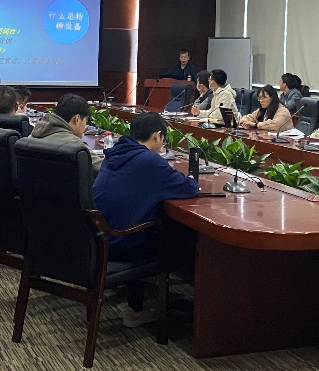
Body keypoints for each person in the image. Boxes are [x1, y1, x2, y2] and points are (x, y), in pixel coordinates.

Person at [92, 112, 199, 326]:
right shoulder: (150, 161)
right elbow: (190, 188)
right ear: (157, 136)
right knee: (177, 239)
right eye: (162, 141)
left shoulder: (114, 153)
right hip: (120, 243)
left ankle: (138, 303)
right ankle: (139, 310)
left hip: (95, 237)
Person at [28, 93, 100, 174]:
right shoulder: (76, 146)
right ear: (77, 119)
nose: (85, 127)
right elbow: (103, 169)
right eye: (85, 121)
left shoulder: (30, 137)